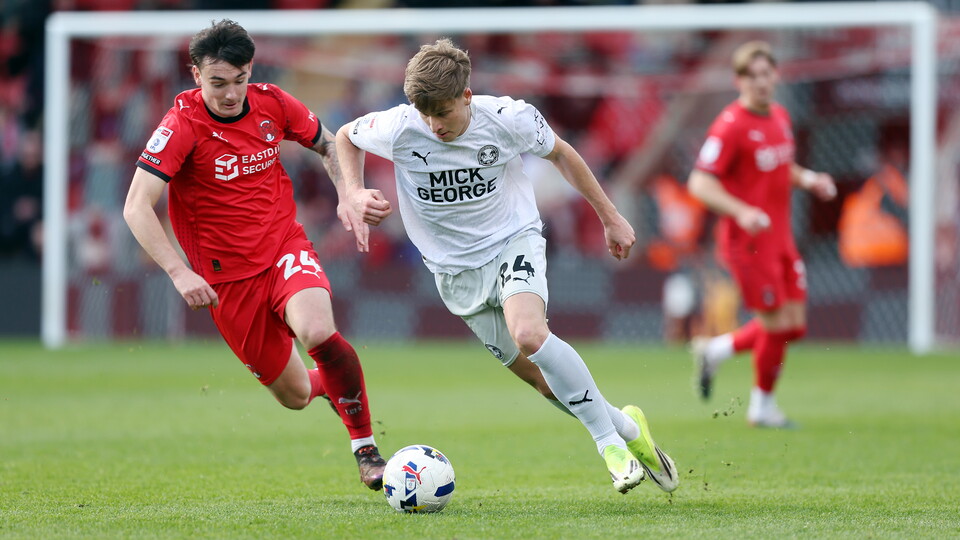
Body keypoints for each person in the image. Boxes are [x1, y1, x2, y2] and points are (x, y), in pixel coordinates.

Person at [335, 38, 678, 495]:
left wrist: (610, 217)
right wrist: (354, 192)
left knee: (530, 334)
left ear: (466, 96)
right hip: (455, 272)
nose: (435, 125)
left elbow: (562, 153)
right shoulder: (399, 126)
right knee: (546, 383)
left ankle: (608, 445)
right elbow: (346, 136)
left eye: (444, 113)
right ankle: (630, 429)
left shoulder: (508, 117)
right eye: (426, 114)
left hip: (512, 242)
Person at [122, 20, 387, 490]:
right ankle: (334, 384)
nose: (230, 94)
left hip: (284, 247)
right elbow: (136, 206)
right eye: (217, 82)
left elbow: (330, 143)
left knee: (318, 331)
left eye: (239, 80)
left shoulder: (273, 102)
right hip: (227, 281)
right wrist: (179, 272)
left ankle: (366, 450)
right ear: (196, 75)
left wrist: (349, 192)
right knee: (296, 395)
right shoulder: (181, 125)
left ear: (251, 70)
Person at [687, 41, 837, 428]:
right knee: (775, 325)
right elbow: (699, 183)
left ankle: (715, 351)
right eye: (751, 76)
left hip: (780, 238)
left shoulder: (780, 116)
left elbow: (780, 167)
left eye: (766, 74)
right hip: (748, 243)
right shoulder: (730, 125)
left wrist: (810, 179)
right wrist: (741, 211)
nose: (760, 82)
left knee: (794, 326)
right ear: (739, 81)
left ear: (776, 76)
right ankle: (762, 407)